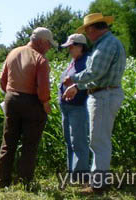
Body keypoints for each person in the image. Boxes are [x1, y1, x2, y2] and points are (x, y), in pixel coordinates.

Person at [62, 13, 126, 193]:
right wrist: (77, 86)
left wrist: (72, 79)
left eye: (87, 31)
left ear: (92, 29)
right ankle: (98, 181)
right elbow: (99, 77)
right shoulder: (106, 43)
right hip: (104, 94)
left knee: (99, 142)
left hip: (104, 96)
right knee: (99, 140)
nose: (87, 35)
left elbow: (95, 72)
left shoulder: (106, 44)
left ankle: (98, 185)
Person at [0, 27, 57, 188]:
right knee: (30, 144)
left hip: (11, 98)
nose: (49, 47)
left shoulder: (13, 52)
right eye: (49, 44)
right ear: (41, 42)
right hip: (32, 102)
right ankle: (24, 181)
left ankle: (1, 180)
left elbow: (3, 80)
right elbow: (43, 89)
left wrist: (11, 93)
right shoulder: (40, 59)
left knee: (8, 141)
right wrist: (45, 103)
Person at [58, 34, 90, 183]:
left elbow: (89, 82)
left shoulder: (86, 62)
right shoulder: (74, 61)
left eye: (71, 46)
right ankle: (73, 174)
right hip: (67, 107)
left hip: (78, 106)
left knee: (78, 142)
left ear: (80, 46)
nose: (69, 49)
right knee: (69, 141)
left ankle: (81, 176)